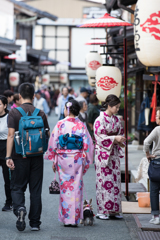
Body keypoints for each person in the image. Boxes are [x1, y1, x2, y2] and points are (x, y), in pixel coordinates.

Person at [6, 83, 50, 231]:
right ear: (33, 96)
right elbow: (47, 135)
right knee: (35, 190)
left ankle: (20, 209)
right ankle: (35, 223)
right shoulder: (41, 113)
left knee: (17, 187)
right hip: (37, 156)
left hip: (19, 156)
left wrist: (8, 157)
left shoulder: (14, 113)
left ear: (19, 96)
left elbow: (11, 135)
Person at [44, 99, 94, 227]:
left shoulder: (60, 124)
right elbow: (88, 145)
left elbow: (53, 143)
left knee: (65, 188)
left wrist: (54, 159)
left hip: (63, 159)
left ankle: (67, 219)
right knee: (76, 187)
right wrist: (87, 161)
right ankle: (75, 219)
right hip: (77, 159)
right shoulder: (82, 125)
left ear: (67, 110)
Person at [94, 94, 126, 220]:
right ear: (109, 106)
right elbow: (99, 138)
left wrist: (120, 140)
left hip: (113, 154)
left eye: (118, 107)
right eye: (116, 107)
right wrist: (114, 138)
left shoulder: (117, 120)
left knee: (115, 182)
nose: (118, 110)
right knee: (104, 182)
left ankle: (114, 210)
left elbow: (121, 134)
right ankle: (102, 210)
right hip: (103, 155)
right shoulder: (99, 120)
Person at [143, 109, 160, 225]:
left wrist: (148, 154)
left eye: (158, 116)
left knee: (154, 191)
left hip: (157, 163)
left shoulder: (158, 129)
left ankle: (156, 217)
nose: (156, 118)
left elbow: (146, 142)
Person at [0, 96, 12, 211]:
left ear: (4, 105)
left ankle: (9, 202)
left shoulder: (9, 117)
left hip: (5, 148)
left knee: (7, 179)